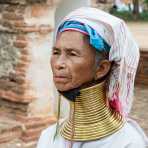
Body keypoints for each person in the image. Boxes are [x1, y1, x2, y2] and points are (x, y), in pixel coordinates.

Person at [37, 7, 148, 148]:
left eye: (72, 54)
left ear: (101, 68)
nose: (58, 64)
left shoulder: (127, 143)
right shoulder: (48, 138)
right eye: (56, 52)